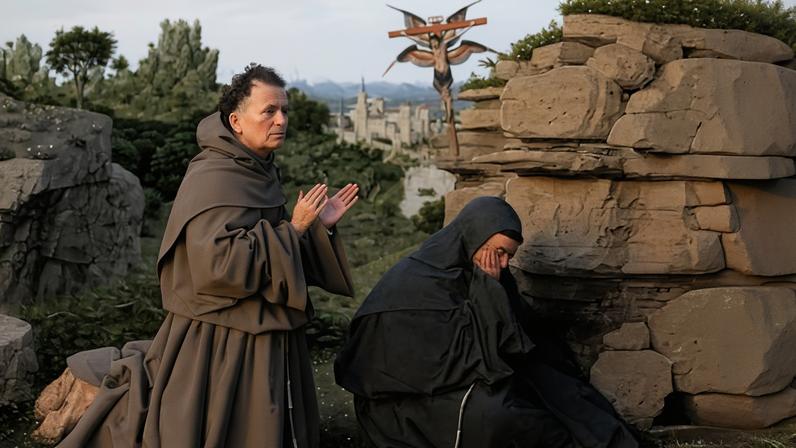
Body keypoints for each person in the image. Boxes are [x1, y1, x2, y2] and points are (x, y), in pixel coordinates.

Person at [58, 64, 358, 447]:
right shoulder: (213, 175)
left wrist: (319, 226)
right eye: (269, 111)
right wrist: (294, 229)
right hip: (221, 333)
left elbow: (270, 240)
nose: (281, 119)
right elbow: (217, 266)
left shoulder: (259, 168)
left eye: (284, 110)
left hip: (264, 323)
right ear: (236, 120)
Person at [334, 197, 639, 448]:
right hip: (411, 399)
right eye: (500, 252)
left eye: (509, 255)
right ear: (473, 236)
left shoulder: (490, 275)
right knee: (501, 417)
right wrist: (486, 292)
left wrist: (489, 289)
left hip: (471, 376)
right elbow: (431, 363)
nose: (505, 263)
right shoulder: (414, 281)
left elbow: (510, 340)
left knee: (559, 390)